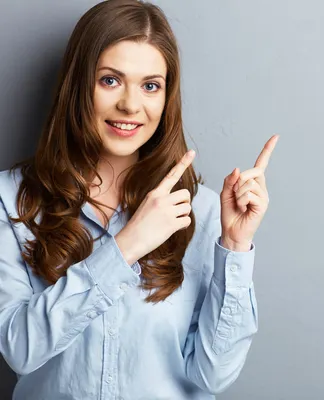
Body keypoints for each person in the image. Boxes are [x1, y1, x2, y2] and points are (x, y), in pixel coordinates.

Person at [0, 0, 279, 398]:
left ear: (167, 97)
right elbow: (20, 350)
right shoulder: (11, 199)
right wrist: (127, 245)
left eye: (150, 85)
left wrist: (234, 246)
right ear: (78, 85)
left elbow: (214, 375)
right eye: (110, 80)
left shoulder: (199, 210)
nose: (131, 105)